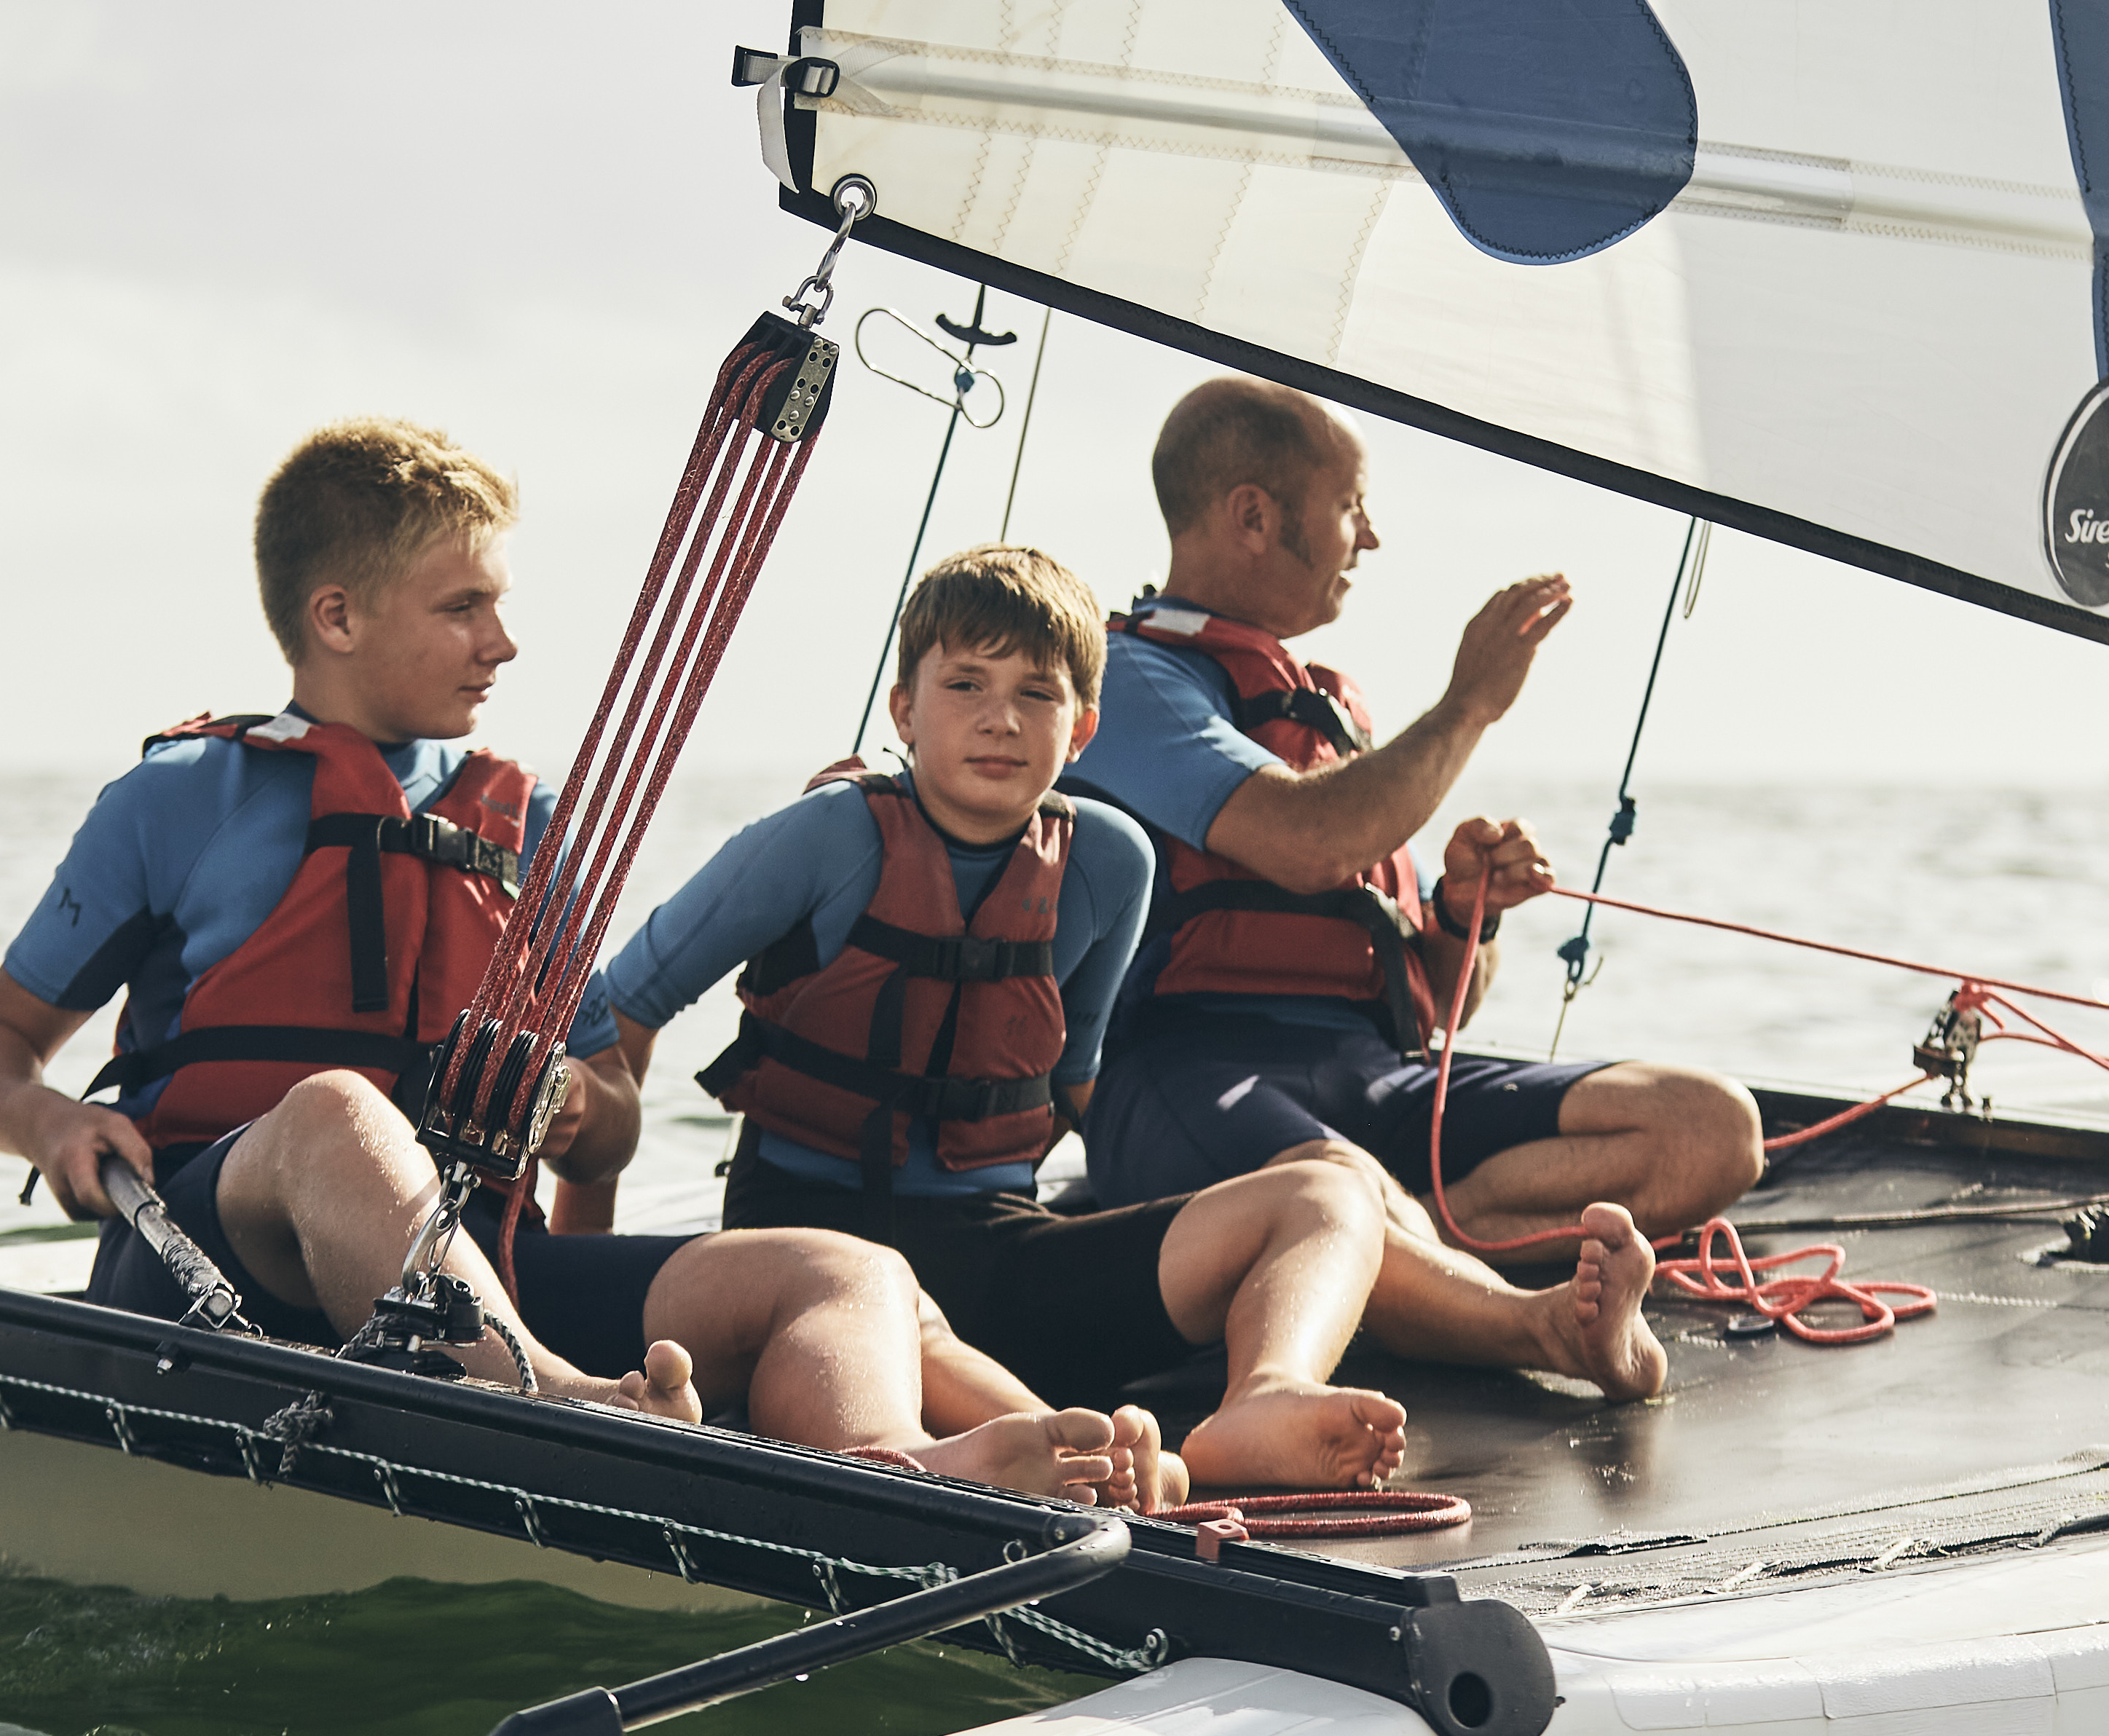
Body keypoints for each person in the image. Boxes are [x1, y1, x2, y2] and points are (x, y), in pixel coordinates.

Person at [0, 417, 1135, 1504]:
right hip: (219, 1276)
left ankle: (886, 1472)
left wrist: (572, 1107)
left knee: (846, 1270)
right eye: (463, 608)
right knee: (341, 1115)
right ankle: (555, 1404)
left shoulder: (532, 823)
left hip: (491, 1275)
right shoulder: (178, 800)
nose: (503, 642)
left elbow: (610, 1126)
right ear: (337, 617)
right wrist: (45, 1123)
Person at [567, 545, 1665, 1489]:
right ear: (904, 709)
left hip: (996, 1255)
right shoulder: (821, 839)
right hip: (813, 1258)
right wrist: (585, 1276)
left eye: (1038, 694)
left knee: (1324, 1189)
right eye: (965, 685)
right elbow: (616, 1014)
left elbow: (1073, 1088)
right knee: (1015, 1385)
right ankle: (1079, 1446)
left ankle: (1271, 1395)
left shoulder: (1106, 861)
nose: (1001, 719)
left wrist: (1233, 1205)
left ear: (1084, 728)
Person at [1068, 378, 1761, 1356]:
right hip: (1185, 1074)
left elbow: (1439, 1003)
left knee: (1710, 1127)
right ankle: (1529, 1323)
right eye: (1352, 507)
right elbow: (1307, 843)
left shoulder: (1327, 712)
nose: (1372, 539)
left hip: (1373, 1078)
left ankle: (1429, 1247)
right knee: (1340, 1193)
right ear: (1255, 516)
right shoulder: (1119, 680)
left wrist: (1460, 912)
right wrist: (1469, 705)